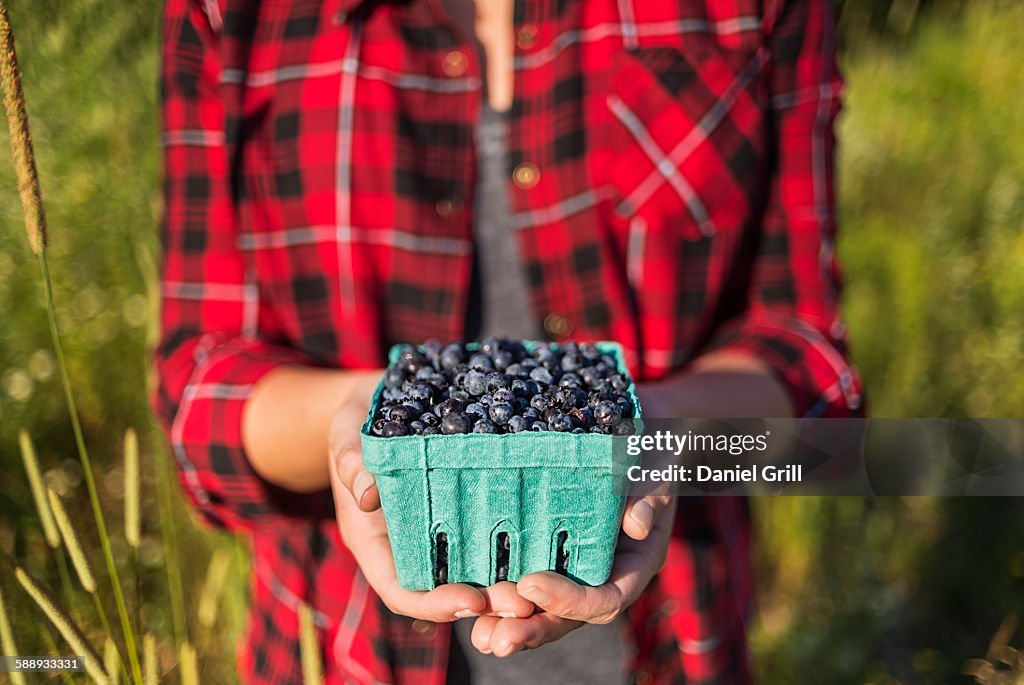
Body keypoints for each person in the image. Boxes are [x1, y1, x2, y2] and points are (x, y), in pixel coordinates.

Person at [155, 0, 863, 682]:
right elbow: (200, 388)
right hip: (342, 646)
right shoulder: (236, 13)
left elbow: (810, 374)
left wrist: (662, 427)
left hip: (675, 637)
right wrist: (348, 419)